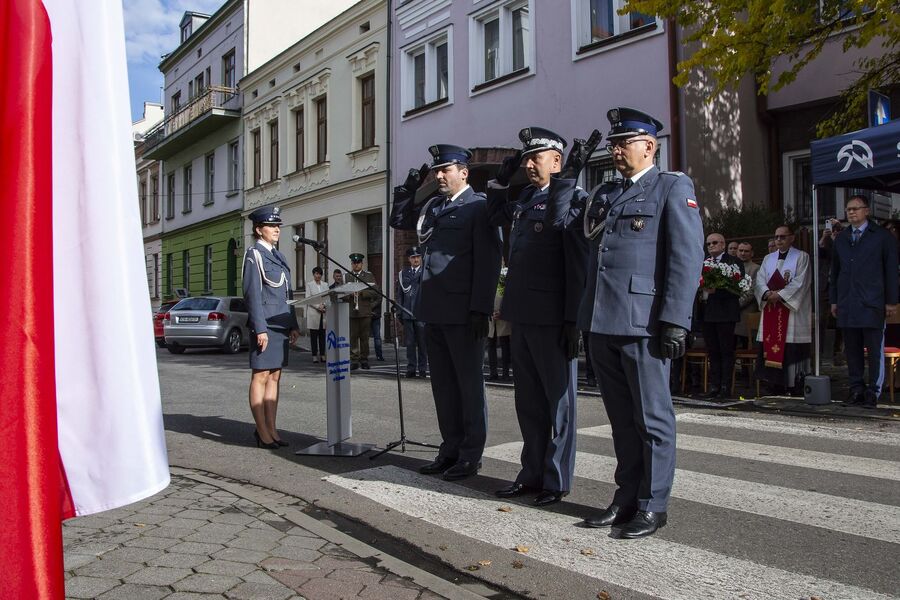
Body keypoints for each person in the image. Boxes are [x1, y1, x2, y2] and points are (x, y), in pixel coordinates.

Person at [549, 107, 703, 538]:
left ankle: (653, 504)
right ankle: (626, 496)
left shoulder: (671, 187)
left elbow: (686, 258)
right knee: (621, 420)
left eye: (624, 143)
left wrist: (675, 319)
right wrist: (568, 178)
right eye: (613, 144)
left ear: (649, 145)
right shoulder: (605, 193)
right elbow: (562, 225)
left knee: (652, 420)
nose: (616, 151)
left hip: (644, 324)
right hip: (602, 321)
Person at [487, 126, 592, 507]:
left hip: (552, 318)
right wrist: (500, 181)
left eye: (538, 157)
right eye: (527, 158)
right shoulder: (526, 198)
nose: (530, 164)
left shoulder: (574, 198)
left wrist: (572, 320)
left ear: (557, 161)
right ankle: (530, 472)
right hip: (523, 314)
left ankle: (556, 478)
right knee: (528, 402)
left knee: (558, 405)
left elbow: (577, 266)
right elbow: (492, 215)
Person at [390, 144, 502, 481]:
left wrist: (481, 309)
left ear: (463, 172)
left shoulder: (480, 206)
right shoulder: (434, 206)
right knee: (443, 387)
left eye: (446, 170)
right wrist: (406, 192)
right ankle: (450, 448)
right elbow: (400, 222)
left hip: (463, 312)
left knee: (468, 387)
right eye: (437, 170)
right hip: (433, 309)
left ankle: (470, 454)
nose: (439, 175)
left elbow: (489, 261)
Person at [831, 195, 899, 408]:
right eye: (848, 209)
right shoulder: (842, 238)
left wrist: (891, 301)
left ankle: (873, 392)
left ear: (867, 211)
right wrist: (834, 300)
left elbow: (891, 271)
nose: (851, 212)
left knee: (874, 349)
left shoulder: (881, 236)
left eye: (856, 209)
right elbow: (836, 272)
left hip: (873, 302)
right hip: (848, 302)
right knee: (852, 350)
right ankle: (856, 389)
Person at [242, 206, 300, 449]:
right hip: (265, 324)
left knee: (275, 376)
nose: (277, 230)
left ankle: (272, 429)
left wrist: (293, 323)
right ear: (258, 229)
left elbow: (288, 293)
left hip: (281, 323)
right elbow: (251, 294)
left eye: (278, 226)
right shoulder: (254, 255)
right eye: (271, 226)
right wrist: (260, 328)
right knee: (261, 375)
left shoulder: (280, 256)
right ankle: (261, 431)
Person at [754, 225, 812, 395]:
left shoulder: (802, 257)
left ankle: (794, 386)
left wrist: (781, 295)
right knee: (770, 345)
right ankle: (773, 384)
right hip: (771, 309)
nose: (779, 240)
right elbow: (760, 280)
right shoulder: (768, 258)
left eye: (783, 237)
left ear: (791, 238)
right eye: (776, 237)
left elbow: (801, 282)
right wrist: (766, 293)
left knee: (791, 348)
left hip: (791, 312)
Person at [700, 232, 744, 399]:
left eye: (715, 243)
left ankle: (725, 386)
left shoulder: (734, 262)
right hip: (708, 313)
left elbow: (737, 288)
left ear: (723, 245)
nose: (711, 246)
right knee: (712, 351)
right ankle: (714, 386)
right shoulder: (704, 262)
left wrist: (716, 290)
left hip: (725, 312)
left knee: (726, 351)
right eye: (709, 243)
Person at [396, 246, 428, 378]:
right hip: (407, 312)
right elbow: (400, 295)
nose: (416, 259)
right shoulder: (404, 273)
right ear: (409, 259)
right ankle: (411, 367)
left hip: (421, 313)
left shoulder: (426, 271)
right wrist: (399, 312)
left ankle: (422, 368)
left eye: (418, 257)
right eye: (413, 257)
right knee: (409, 343)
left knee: (422, 343)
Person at [346, 253, 378, 370]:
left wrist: (362, 293)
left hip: (364, 311)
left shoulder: (368, 276)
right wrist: (348, 294)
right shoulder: (347, 276)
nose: (356, 265)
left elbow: (375, 292)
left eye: (358, 262)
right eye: (354, 263)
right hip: (352, 311)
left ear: (362, 263)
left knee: (364, 338)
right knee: (353, 337)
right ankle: (354, 359)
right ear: (352, 264)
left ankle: (364, 359)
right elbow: (341, 294)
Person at [486, 268, 511, 382]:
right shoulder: (488, 273)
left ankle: (505, 373)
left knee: (505, 344)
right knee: (491, 344)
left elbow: (509, 294)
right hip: (490, 314)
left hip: (503, 313)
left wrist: (503, 311)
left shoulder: (506, 274)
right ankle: (493, 372)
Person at [735, 241, 760, 348]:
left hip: (746, 315)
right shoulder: (730, 267)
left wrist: (733, 305)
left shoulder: (756, 269)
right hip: (729, 316)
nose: (743, 253)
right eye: (740, 250)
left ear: (752, 253)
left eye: (746, 251)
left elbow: (751, 292)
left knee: (747, 347)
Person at [305, 266, 328, 363]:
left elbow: (327, 296)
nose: (318, 276)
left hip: (323, 313)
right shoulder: (309, 285)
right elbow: (308, 298)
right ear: (313, 275)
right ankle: (314, 355)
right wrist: (318, 306)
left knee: (322, 335)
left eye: (319, 274)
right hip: (314, 312)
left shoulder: (325, 284)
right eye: (316, 274)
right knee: (314, 336)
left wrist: (324, 305)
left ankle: (323, 355)